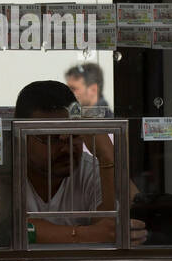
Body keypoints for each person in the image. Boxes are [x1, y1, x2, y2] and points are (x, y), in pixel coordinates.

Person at [15, 80, 145, 246]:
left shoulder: (92, 169)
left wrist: (109, 158)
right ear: (22, 137)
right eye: (52, 138)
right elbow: (13, 228)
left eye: (74, 134)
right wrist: (87, 234)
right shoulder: (8, 170)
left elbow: (113, 231)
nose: (66, 148)